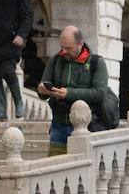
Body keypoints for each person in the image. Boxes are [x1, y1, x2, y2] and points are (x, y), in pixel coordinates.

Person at [37, 25, 109, 155]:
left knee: (82, 169)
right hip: (58, 125)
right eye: (62, 46)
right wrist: (42, 91)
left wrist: (68, 94)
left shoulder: (96, 63)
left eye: (68, 48)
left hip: (87, 128)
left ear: (80, 44)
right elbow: (43, 86)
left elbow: (100, 93)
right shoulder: (55, 60)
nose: (64, 51)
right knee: (56, 167)